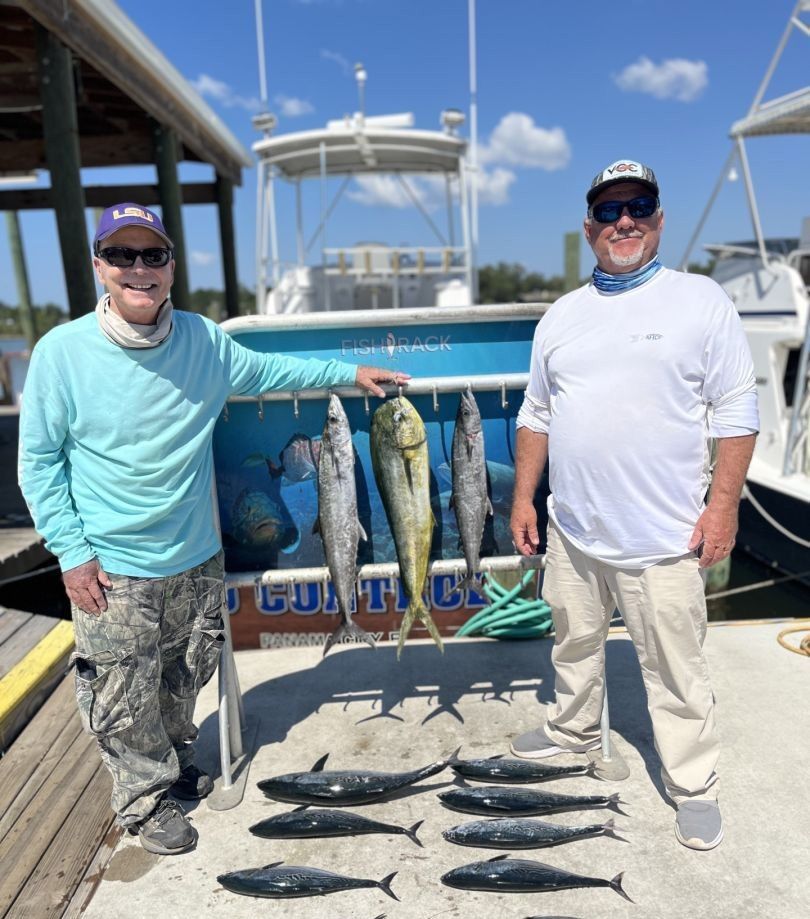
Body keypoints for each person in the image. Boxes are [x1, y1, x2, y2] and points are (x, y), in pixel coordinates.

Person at [18, 203, 407, 856]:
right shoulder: (60, 353)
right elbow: (39, 462)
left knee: (181, 681)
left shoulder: (204, 341)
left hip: (197, 559)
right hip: (112, 567)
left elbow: (275, 372)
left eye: (152, 255)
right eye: (122, 255)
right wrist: (72, 553)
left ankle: (170, 765)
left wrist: (349, 372)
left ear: (171, 266)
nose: (138, 270)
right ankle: (144, 802)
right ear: (99, 266)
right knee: (120, 695)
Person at [509, 160, 758, 851]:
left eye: (638, 206)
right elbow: (537, 415)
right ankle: (572, 728)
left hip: (664, 538)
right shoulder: (561, 315)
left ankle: (693, 781)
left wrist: (724, 507)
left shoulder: (701, 301)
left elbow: (738, 412)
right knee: (574, 643)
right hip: (575, 531)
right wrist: (526, 495)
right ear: (589, 227)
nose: (624, 221)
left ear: (658, 218)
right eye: (609, 210)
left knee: (678, 670)